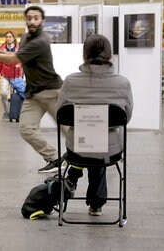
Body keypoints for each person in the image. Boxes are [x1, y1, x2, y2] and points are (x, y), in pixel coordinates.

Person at [0, 6, 63, 173]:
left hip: (51, 91)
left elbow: (13, 58)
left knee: (69, 129)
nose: (32, 21)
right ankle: (55, 158)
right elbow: (10, 53)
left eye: (36, 18)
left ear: (42, 21)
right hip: (34, 94)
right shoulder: (24, 38)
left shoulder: (42, 41)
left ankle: (96, 155)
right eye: (29, 18)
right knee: (26, 129)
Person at [56, 34, 133, 216]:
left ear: (84, 55)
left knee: (88, 143)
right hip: (110, 150)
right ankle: (96, 203)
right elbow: (126, 117)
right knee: (100, 145)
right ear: (110, 55)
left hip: (77, 150)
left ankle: (71, 182)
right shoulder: (122, 83)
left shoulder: (70, 81)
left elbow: (61, 113)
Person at [0, 31, 23, 120]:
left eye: (10, 36)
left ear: (14, 38)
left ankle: (17, 112)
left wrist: (19, 65)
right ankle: (7, 112)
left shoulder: (19, 49)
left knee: (19, 95)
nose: (8, 38)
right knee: (3, 93)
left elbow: (23, 60)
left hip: (16, 75)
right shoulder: (2, 49)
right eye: (6, 36)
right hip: (5, 75)